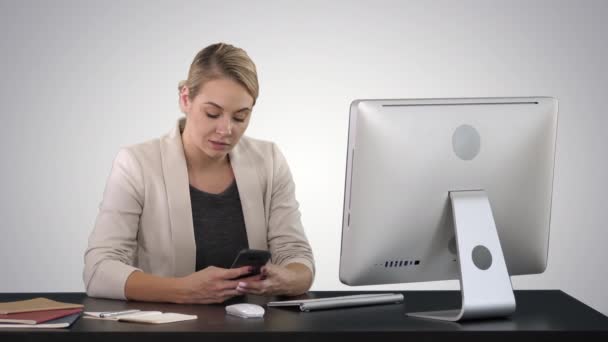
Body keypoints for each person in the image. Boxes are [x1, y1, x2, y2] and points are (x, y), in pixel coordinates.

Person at [83, 43, 315, 304]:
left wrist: (288, 279)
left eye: (240, 117)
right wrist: (183, 290)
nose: (226, 129)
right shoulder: (137, 164)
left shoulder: (269, 160)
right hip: (168, 329)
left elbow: (297, 257)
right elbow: (98, 270)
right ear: (185, 99)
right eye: (212, 113)